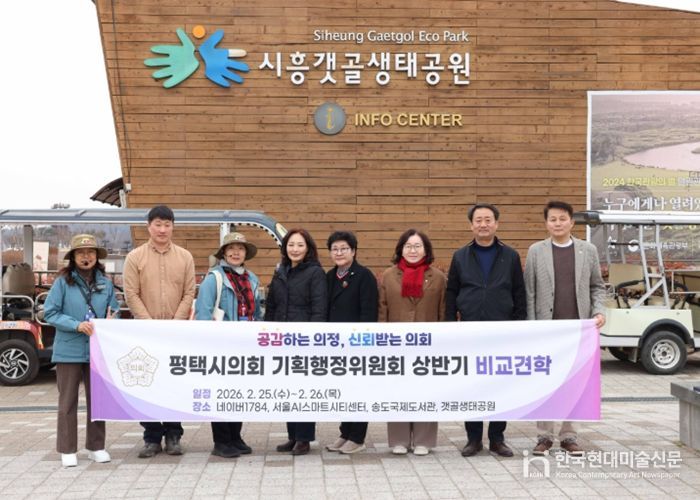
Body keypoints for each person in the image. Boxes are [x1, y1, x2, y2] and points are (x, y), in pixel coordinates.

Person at [524, 200, 606, 456]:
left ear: (571, 222)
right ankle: (544, 436)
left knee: (575, 384)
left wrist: (598, 311)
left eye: (562, 219)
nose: (557, 223)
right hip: (547, 330)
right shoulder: (536, 251)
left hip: (578, 330)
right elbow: (529, 291)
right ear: (546, 223)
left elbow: (597, 286)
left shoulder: (588, 250)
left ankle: (569, 436)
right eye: (552, 219)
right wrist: (532, 327)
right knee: (545, 383)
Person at [445, 203, 526, 458]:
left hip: (502, 331)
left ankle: (497, 438)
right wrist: (450, 325)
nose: (483, 224)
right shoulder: (460, 256)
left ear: (496, 224)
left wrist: (519, 326)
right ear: (471, 225)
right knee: (472, 385)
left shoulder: (510, 256)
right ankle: (473, 439)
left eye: (488, 220)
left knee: (500, 385)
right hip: (470, 330)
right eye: (478, 220)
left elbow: (519, 292)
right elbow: (451, 292)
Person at [123, 205, 196, 458]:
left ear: (173, 227)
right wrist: (150, 324)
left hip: (176, 333)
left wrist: (175, 323)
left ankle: (174, 434)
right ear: (149, 226)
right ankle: (152, 437)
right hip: (146, 333)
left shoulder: (185, 257)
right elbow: (131, 293)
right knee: (148, 384)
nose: (162, 230)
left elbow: (189, 292)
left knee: (174, 384)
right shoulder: (135, 257)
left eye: (167, 225)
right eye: (158, 224)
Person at [44, 233, 119, 468]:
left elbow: (115, 309)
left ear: (97, 256)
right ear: (73, 257)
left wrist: (112, 319)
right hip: (68, 349)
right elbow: (50, 312)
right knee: (67, 400)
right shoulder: (62, 283)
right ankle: (67, 449)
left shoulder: (106, 283)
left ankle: (96, 446)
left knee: (98, 400)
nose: (86, 257)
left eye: (91, 252)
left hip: (97, 350)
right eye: (81, 253)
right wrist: (76, 325)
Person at [195, 232, 263, 458]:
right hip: (219, 346)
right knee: (221, 393)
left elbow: (257, 313)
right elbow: (203, 313)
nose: (236, 252)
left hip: (245, 347)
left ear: (245, 253)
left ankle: (236, 436)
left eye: (240, 248)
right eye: (231, 248)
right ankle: (221, 441)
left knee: (239, 393)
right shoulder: (214, 278)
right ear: (223, 253)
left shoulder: (252, 279)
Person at [379, 229, 445, 456]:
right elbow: (382, 310)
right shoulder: (389, 276)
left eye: (418, 246)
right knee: (398, 389)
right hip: (396, 343)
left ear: (426, 250)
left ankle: (423, 440)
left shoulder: (438, 277)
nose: (413, 250)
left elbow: (443, 310)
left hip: (428, 343)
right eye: (408, 246)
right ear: (401, 249)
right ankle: (399, 439)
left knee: (426, 390)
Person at [265, 228, 327, 456]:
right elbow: (271, 305)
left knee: (304, 390)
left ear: (308, 248)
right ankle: (292, 436)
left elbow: (319, 309)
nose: (295, 249)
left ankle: (304, 438)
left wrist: (312, 339)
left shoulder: (315, 273)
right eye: (291, 245)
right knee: (287, 390)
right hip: (281, 339)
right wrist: (267, 332)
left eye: (300, 245)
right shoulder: (280, 271)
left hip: (304, 341)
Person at [324, 230, 378, 455]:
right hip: (335, 344)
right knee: (344, 390)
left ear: (353, 251)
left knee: (359, 390)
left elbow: (369, 312)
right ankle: (345, 433)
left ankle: (357, 437)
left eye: (344, 249)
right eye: (335, 249)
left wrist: (362, 342)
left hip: (357, 344)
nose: (339, 253)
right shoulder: (329, 276)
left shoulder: (364, 276)